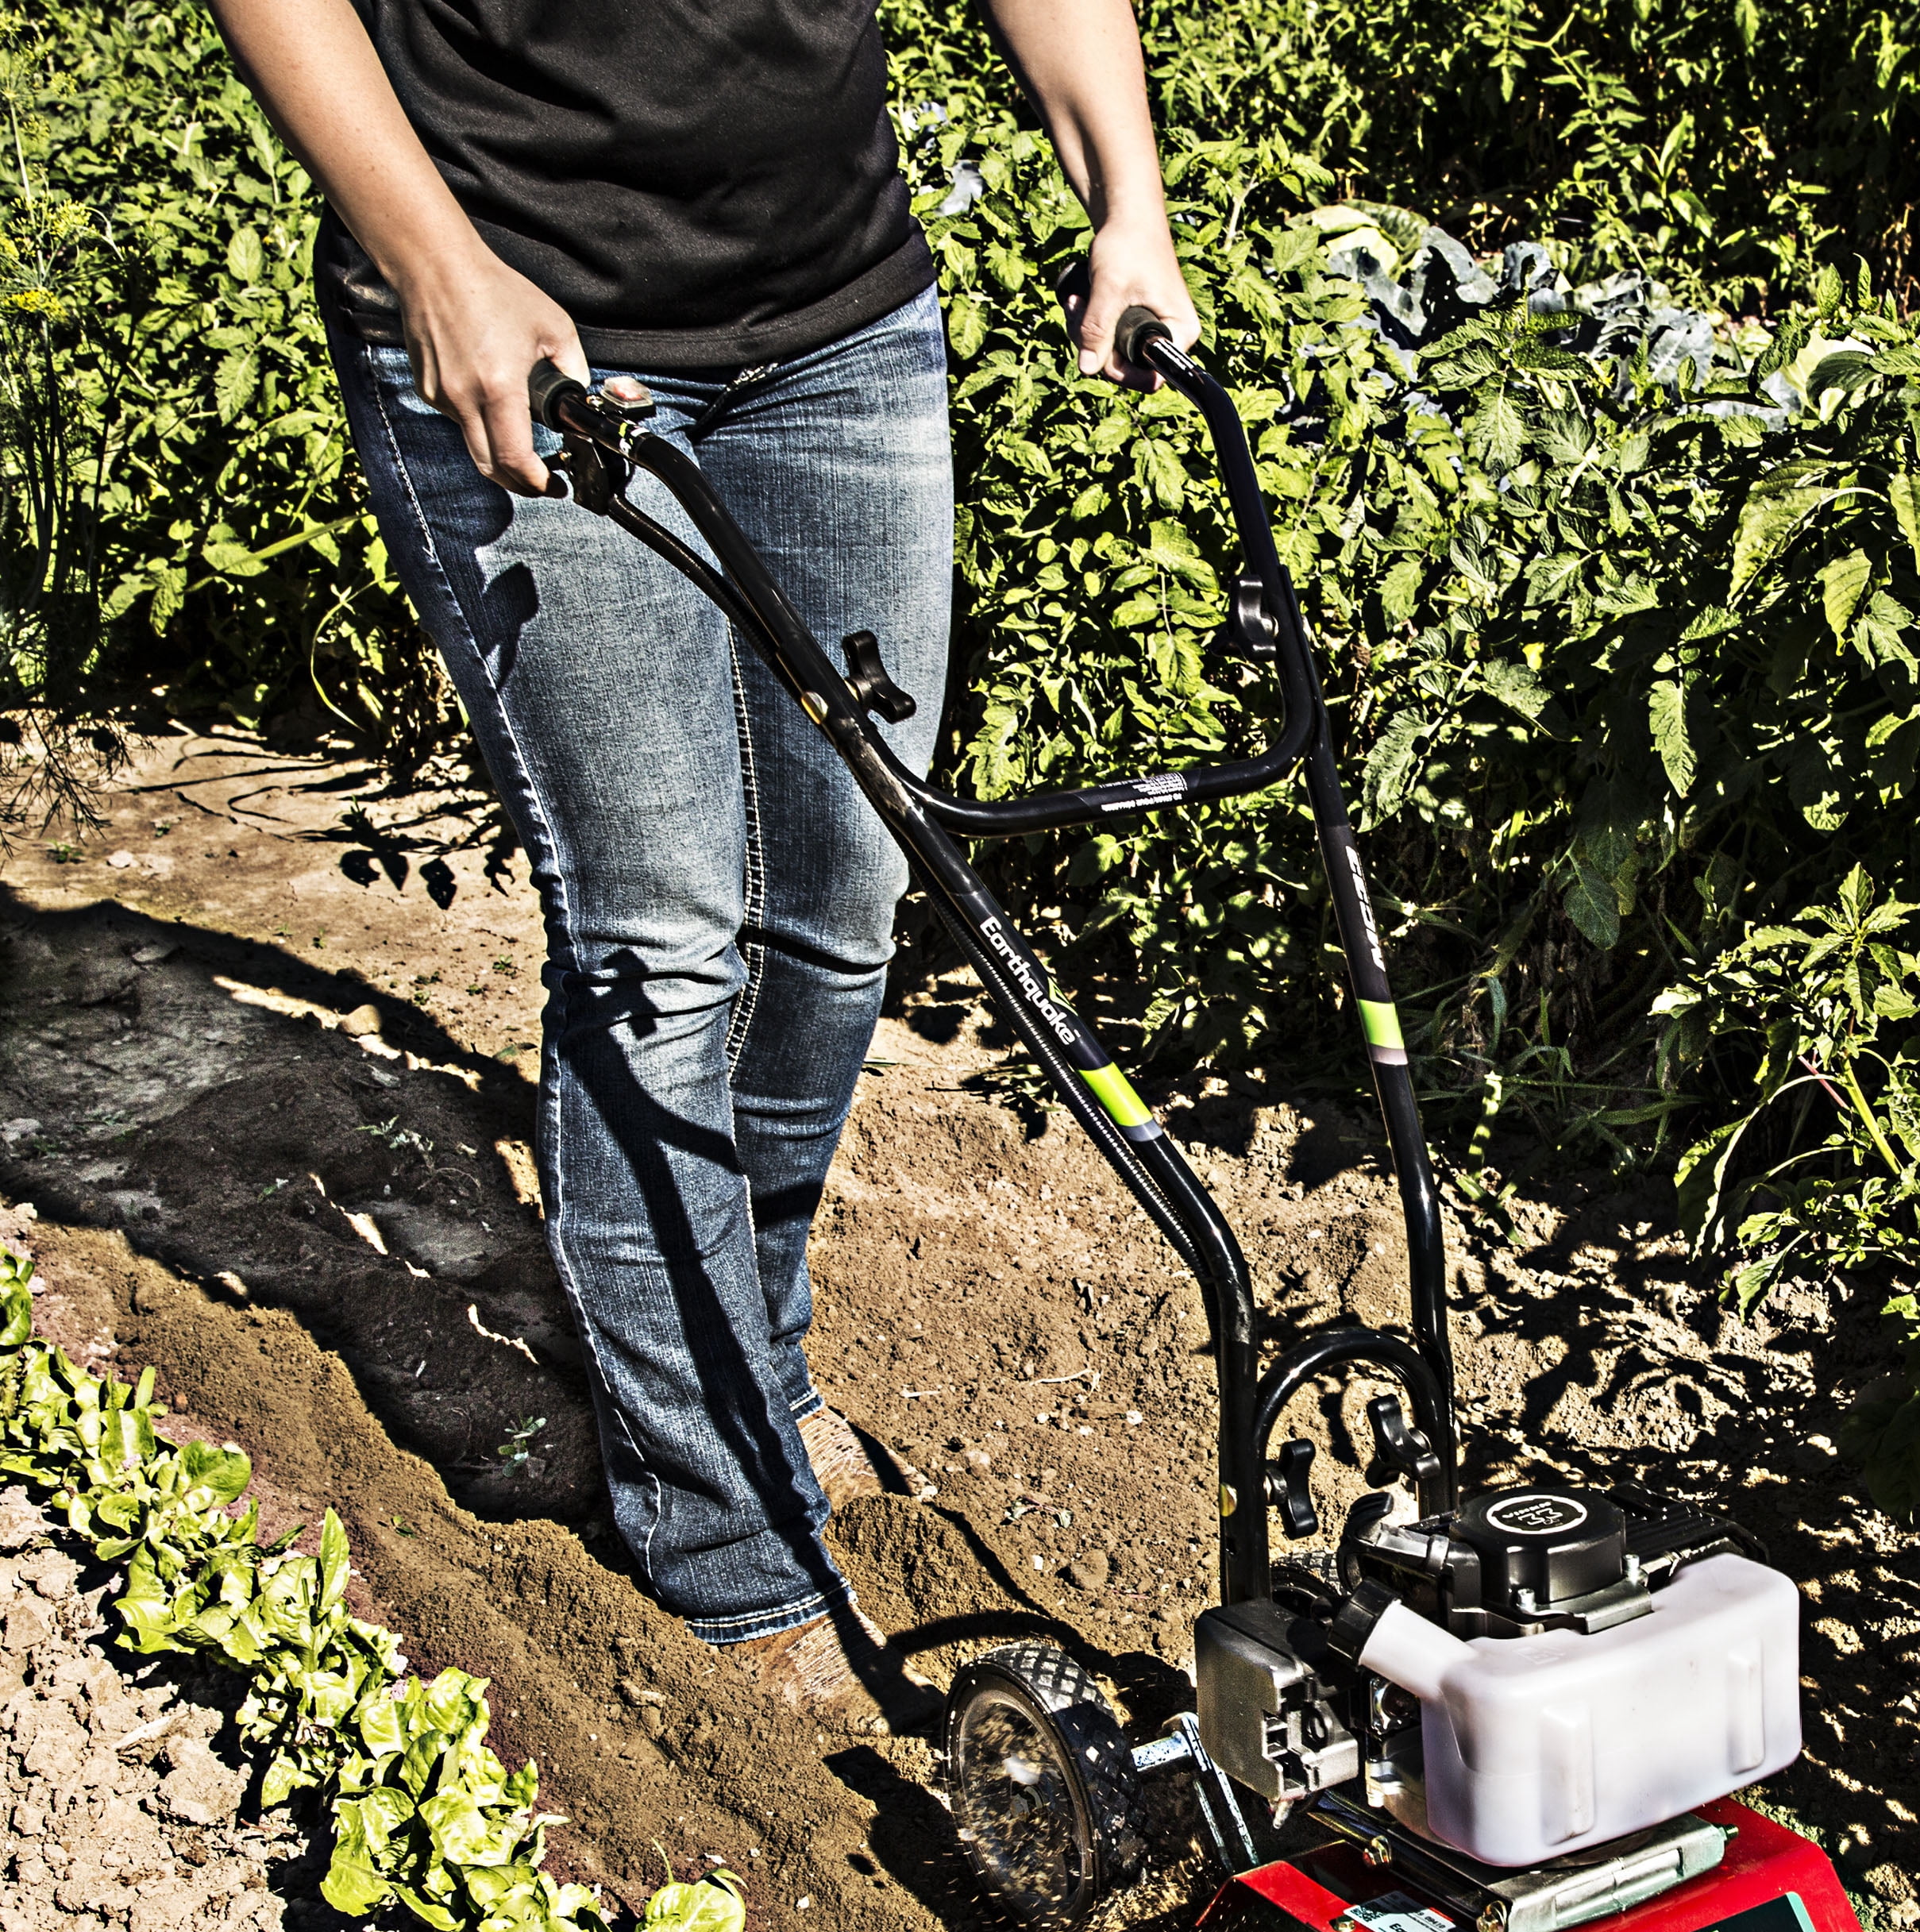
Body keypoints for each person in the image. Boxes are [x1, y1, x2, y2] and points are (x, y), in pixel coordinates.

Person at [205, 0, 1197, 1708]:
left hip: (840, 321)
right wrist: (433, 265)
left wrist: (1131, 204)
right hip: (526, 325)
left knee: (844, 906)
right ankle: (727, 1547)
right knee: (661, 945)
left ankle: (752, 1364)